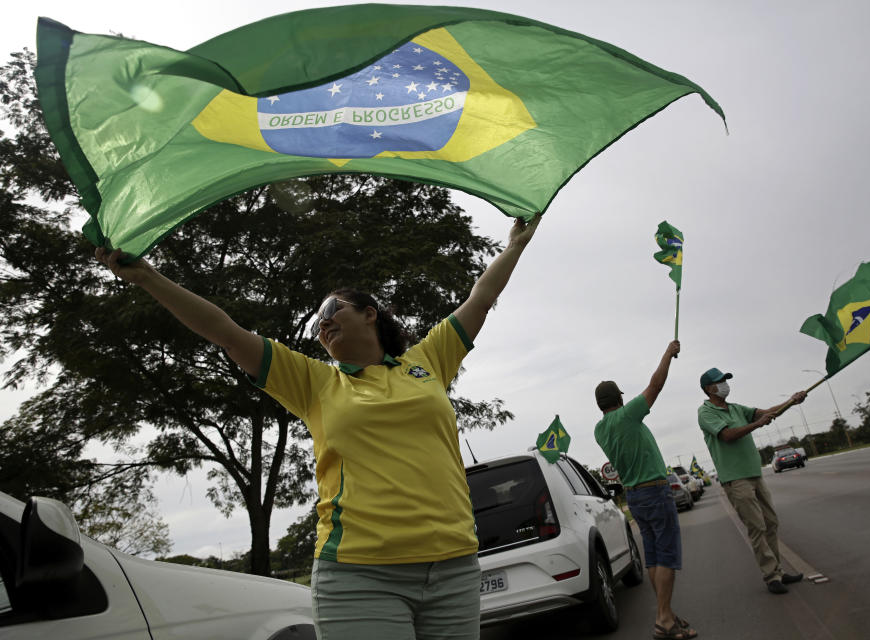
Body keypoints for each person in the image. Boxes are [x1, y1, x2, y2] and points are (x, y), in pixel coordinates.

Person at [96, 215, 540, 639]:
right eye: (317, 323)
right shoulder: (314, 382)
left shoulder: (428, 360)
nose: (322, 323)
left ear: (370, 313)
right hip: (362, 575)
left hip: (455, 568)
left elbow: (480, 298)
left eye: (332, 309)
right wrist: (148, 278)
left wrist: (514, 247)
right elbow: (226, 332)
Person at [593, 340, 697, 640]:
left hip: (635, 496)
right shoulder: (628, 415)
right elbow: (656, 385)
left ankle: (668, 614)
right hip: (653, 491)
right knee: (666, 555)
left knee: (652, 557)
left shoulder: (600, 429)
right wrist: (667, 354)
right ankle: (664, 618)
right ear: (619, 399)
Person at [696, 367, 807, 595]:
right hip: (736, 479)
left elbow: (767, 413)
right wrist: (757, 424)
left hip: (754, 473)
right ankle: (771, 576)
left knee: (771, 522)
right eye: (720, 381)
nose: (725, 384)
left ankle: (777, 570)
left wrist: (791, 402)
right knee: (757, 526)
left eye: (725, 380)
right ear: (709, 389)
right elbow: (727, 435)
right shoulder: (705, 412)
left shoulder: (736, 408)